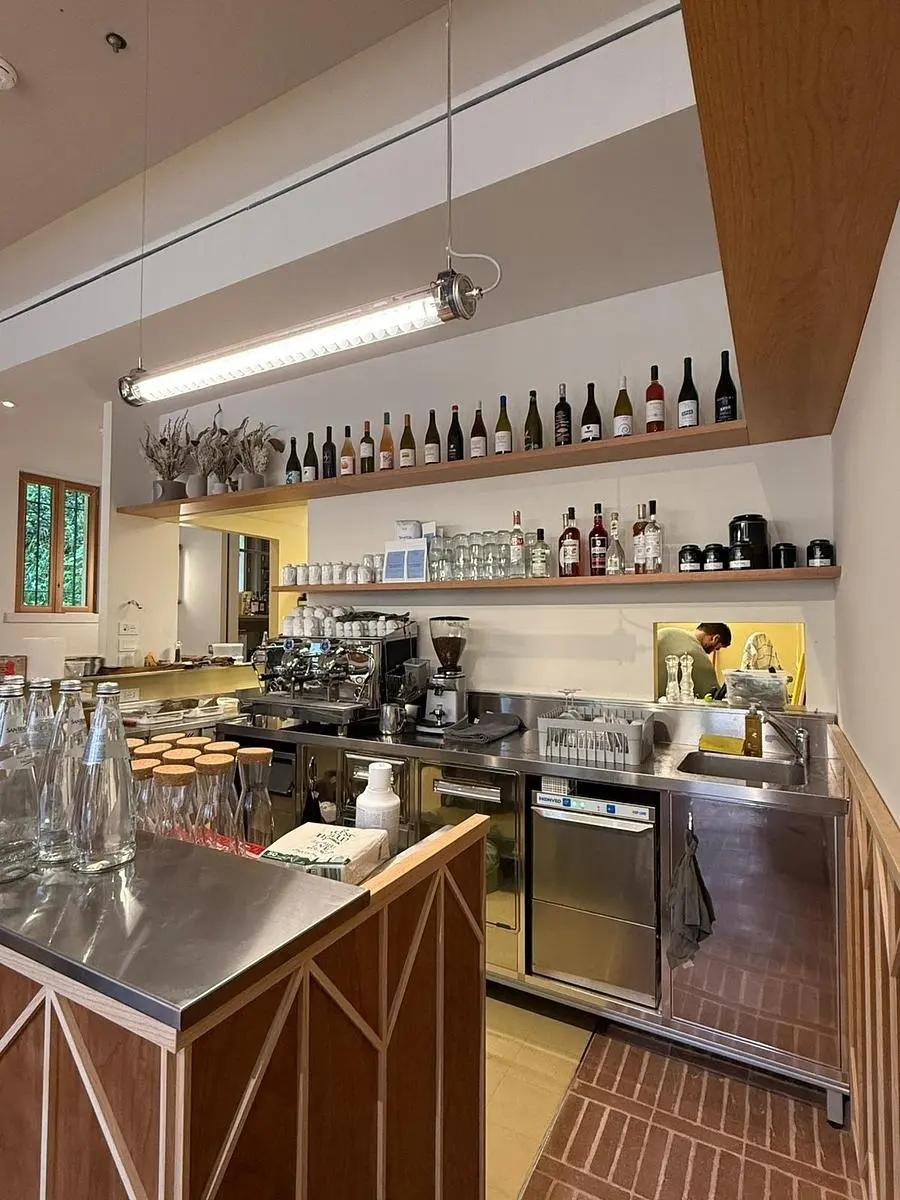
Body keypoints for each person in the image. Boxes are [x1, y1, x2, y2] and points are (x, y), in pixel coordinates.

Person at [656, 623, 732, 700]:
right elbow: (712, 697)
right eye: (717, 648)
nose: (712, 651)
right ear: (715, 638)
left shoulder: (664, 632)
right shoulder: (700, 658)